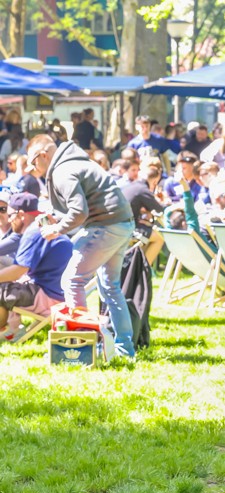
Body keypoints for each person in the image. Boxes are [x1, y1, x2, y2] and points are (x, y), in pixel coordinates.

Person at [28, 134, 136, 357]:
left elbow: (79, 212)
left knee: (72, 281)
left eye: (33, 162)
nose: (33, 169)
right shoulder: (75, 162)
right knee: (110, 287)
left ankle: (85, 346)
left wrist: (56, 229)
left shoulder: (61, 171)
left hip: (105, 225)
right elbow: (82, 207)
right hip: (122, 223)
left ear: (43, 155)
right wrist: (60, 219)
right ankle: (125, 350)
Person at [0, 193, 72, 342]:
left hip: (50, 298)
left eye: (10, 215)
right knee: (11, 285)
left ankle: (5, 330)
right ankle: (13, 327)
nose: (9, 220)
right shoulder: (46, 225)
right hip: (62, 294)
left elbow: (18, 270)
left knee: (3, 288)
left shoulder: (33, 233)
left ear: (21, 215)